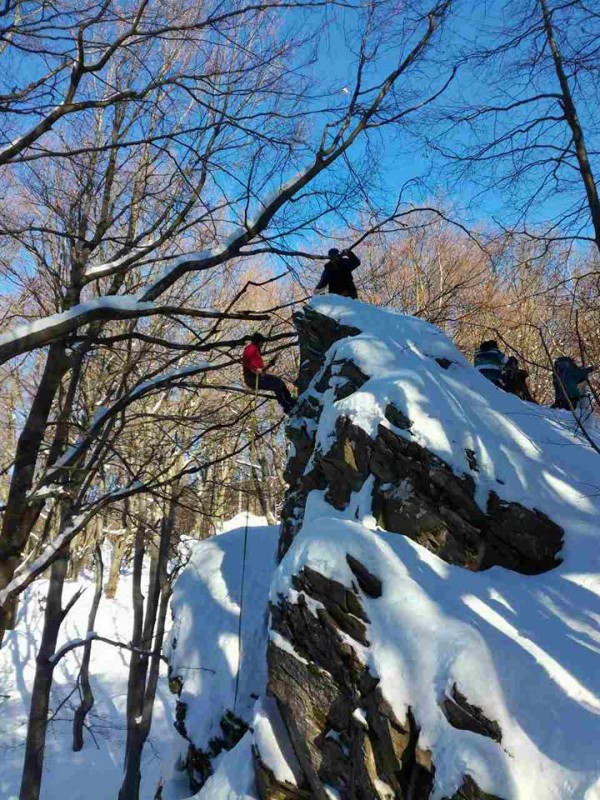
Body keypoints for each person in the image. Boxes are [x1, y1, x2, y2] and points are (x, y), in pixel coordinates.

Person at [242, 333, 295, 414]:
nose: (262, 345)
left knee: (278, 384)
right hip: (252, 377)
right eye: (262, 343)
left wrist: (271, 363)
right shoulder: (251, 348)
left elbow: (261, 370)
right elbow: (249, 359)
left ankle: (289, 404)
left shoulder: (254, 350)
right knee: (278, 384)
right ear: (259, 342)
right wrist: (255, 368)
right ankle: (289, 406)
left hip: (253, 377)